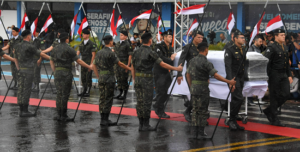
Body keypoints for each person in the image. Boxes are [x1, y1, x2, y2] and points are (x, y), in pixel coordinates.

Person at [132, 32, 183, 131]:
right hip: (147, 80)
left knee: (140, 102)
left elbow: (132, 67)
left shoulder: (136, 52)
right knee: (146, 102)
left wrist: (134, 79)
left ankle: (141, 124)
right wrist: (176, 69)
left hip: (138, 79)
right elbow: (162, 64)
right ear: (150, 40)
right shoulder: (151, 52)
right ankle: (145, 125)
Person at [186, 42, 236, 138]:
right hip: (203, 89)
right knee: (203, 110)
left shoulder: (192, 61)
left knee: (195, 110)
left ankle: (194, 132)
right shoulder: (206, 63)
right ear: (206, 50)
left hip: (194, 88)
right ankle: (201, 132)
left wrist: (191, 85)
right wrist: (228, 81)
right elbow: (216, 75)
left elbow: (188, 75)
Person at [50, 32, 93, 121]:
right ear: (66, 39)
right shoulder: (69, 49)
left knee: (59, 93)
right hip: (66, 73)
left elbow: (51, 61)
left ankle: (59, 114)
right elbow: (79, 61)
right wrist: (89, 66)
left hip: (57, 72)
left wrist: (55, 71)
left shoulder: (54, 49)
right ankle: (64, 115)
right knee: (65, 94)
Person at [93, 35, 131, 126]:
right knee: (108, 98)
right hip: (109, 78)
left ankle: (102, 118)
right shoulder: (111, 53)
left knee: (102, 98)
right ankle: (105, 119)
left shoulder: (99, 52)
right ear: (110, 42)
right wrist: (129, 69)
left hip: (102, 77)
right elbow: (120, 64)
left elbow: (94, 65)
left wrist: (98, 76)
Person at [14, 30, 50, 117]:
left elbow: (15, 58)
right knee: (26, 90)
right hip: (28, 71)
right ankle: (25, 110)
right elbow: (41, 54)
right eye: (30, 35)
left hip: (20, 70)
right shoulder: (30, 46)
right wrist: (52, 58)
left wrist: (18, 67)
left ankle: (21, 109)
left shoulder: (17, 45)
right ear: (28, 36)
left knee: (20, 89)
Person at [263, 29, 293, 127]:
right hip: (274, 74)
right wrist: (267, 76)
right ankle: (274, 118)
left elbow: (286, 63)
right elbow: (266, 62)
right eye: (281, 35)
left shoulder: (284, 47)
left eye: (284, 35)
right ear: (276, 36)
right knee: (274, 96)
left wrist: (289, 75)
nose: (284, 37)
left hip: (283, 74)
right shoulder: (271, 47)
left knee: (286, 94)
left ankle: (269, 110)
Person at [177, 30, 204, 122]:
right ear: (193, 37)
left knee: (200, 96)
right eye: (199, 37)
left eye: (202, 38)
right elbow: (181, 60)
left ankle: (195, 112)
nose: (201, 39)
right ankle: (188, 111)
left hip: (201, 75)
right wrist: (179, 74)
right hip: (191, 75)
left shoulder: (202, 48)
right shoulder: (188, 48)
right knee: (195, 95)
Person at [224, 31, 246, 131]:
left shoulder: (243, 49)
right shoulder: (230, 49)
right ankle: (231, 119)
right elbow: (228, 66)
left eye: (244, 38)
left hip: (241, 78)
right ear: (235, 38)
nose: (243, 39)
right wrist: (230, 81)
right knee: (239, 98)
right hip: (233, 78)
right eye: (241, 37)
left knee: (237, 99)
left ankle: (233, 119)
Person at [153, 31, 177, 118]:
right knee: (161, 92)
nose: (171, 38)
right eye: (169, 37)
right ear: (164, 37)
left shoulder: (170, 48)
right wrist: (170, 59)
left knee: (167, 92)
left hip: (166, 72)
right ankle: (160, 110)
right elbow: (161, 58)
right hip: (159, 72)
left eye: (171, 37)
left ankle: (157, 106)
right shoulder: (158, 47)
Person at [76, 29, 97, 97]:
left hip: (89, 62)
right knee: (83, 77)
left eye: (84, 34)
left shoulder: (92, 44)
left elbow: (93, 55)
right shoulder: (82, 43)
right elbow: (78, 52)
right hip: (82, 63)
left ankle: (88, 90)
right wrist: (75, 58)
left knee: (88, 77)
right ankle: (84, 90)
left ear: (88, 35)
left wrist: (91, 65)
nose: (83, 35)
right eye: (83, 34)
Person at [113, 31, 133, 100]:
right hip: (117, 64)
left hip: (124, 64)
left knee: (124, 79)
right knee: (119, 79)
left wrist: (128, 65)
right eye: (120, 35)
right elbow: (114, 51)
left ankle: (124, 94)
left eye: (122, 35)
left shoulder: (128, 44)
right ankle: (120, 92)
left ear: (125, 36)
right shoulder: (118, 43)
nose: (120, 36)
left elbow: (130, 55)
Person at [31, 28, 45, 92]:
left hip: (37, 59)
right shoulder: (31, 40)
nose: (33, 33)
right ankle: (34, 85)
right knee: (32, 73)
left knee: (36, 72)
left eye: (34, 32)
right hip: (31, 59)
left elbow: (42, 50)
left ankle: (37, 86)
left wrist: (40, 59)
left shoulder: (40, 40)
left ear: (37, 33)